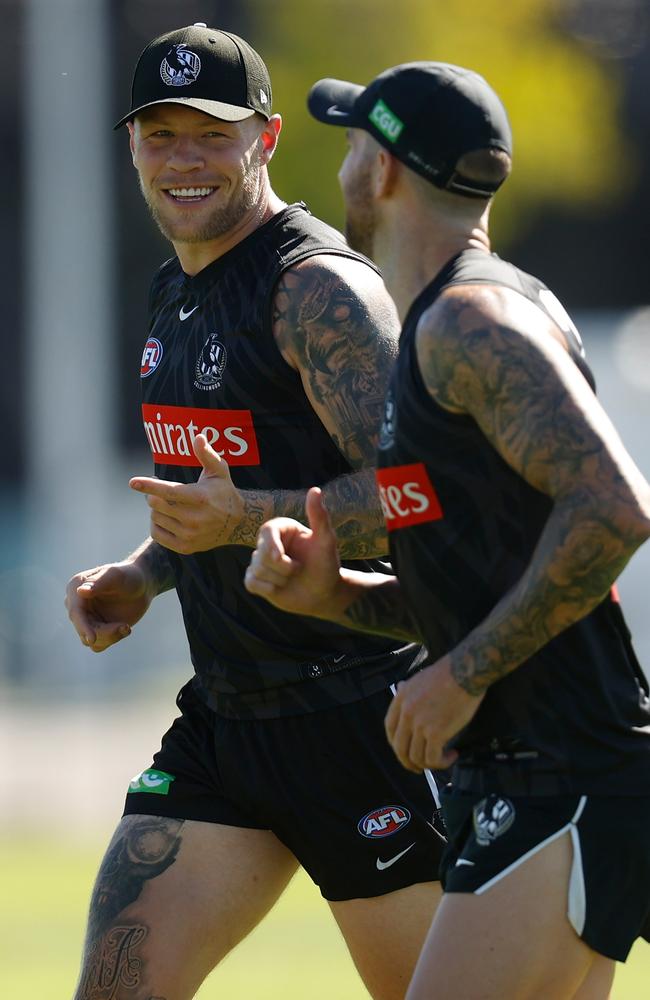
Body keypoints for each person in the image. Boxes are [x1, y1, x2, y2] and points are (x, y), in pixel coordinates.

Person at [244, 61, 650, 999]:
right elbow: (486, 585)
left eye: (353, 143)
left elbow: (617, 507)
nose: (343, 166)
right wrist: (335, 595)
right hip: (540, 772)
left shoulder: (469, 320)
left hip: (559, 771)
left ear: (382, 171)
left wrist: (460, 677)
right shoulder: (452, 320)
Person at [64, 24, 447, 1000]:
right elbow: (213, 499)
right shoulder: (174, 290)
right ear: (133, 146)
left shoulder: (316, 291)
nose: (182, 159)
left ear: (267, 138)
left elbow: (423, 501)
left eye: (211, 133)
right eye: (160, 134)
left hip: (362, 718)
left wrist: (241, 525)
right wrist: (145, 573)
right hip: (228, 722)